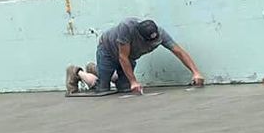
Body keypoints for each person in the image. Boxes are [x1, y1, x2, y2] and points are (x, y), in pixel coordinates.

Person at [67, 17, 205, 95]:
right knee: (103, 89)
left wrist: (196, 72)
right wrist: (134, 81)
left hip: (129, 58)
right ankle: (77, 72)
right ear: (139, 36)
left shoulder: (160, 33)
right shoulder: (126, 28)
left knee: (125, 88)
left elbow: (178, 51)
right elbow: (122, 57)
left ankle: (98, 70)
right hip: (108, 51)